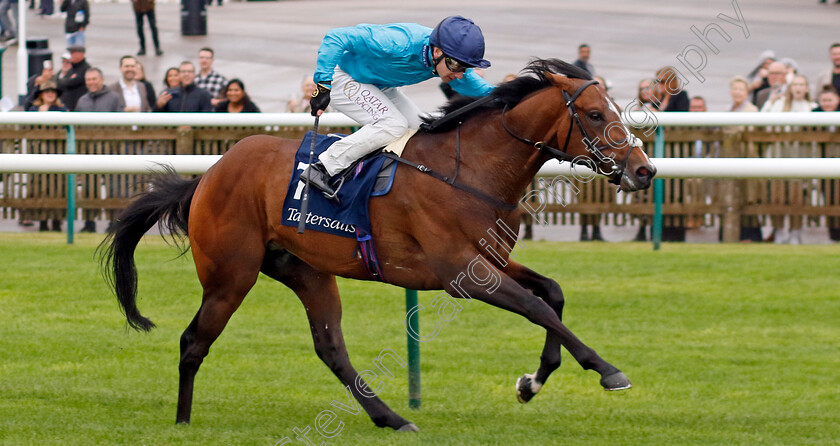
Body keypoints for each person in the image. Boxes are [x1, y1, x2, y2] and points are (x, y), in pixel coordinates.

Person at [301, 16, 494, 197]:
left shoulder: (444, 59)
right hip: (342, 77)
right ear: (437, 52)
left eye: (465, 68)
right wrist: (323, 83)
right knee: (394, 124)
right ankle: (323, 168)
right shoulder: (397, 42)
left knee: (423, 130)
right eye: (457, 66)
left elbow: (485, 91)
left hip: (378, 86)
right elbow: (336, 37)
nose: (460, 74)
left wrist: (516, 95)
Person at [762, 74, 813, 245]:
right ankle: (780, 231)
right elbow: (763, 118)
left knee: (797, 197)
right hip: (778, 156)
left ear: (806, 88)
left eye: (802, 84)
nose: (798, 88)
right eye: (795, 84)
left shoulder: (812, 107)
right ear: (790, 88)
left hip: (800, 159)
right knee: (777, 196)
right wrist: (771, 101)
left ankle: (796, 232)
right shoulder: (780, 104)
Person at [27, 80, 67, 232]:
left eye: (53, 91)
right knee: (40, 188)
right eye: (47, 91)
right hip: (39, 155)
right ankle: (43, 221)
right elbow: (27, 128)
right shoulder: (33, 109)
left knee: (59, 188)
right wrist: (40, 113)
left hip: (59, 155)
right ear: (41, 95)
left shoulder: (62, 109)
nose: (50, 93)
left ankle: (57, 222)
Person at [56, 45, 89, 111]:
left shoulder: (84, 69)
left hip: (77, 107)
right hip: (67, 106)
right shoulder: (72, 68)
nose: (71, 56)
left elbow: (70, 82)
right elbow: (59, 83)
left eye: (72, 53)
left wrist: (62, 80)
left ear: (81, 54)